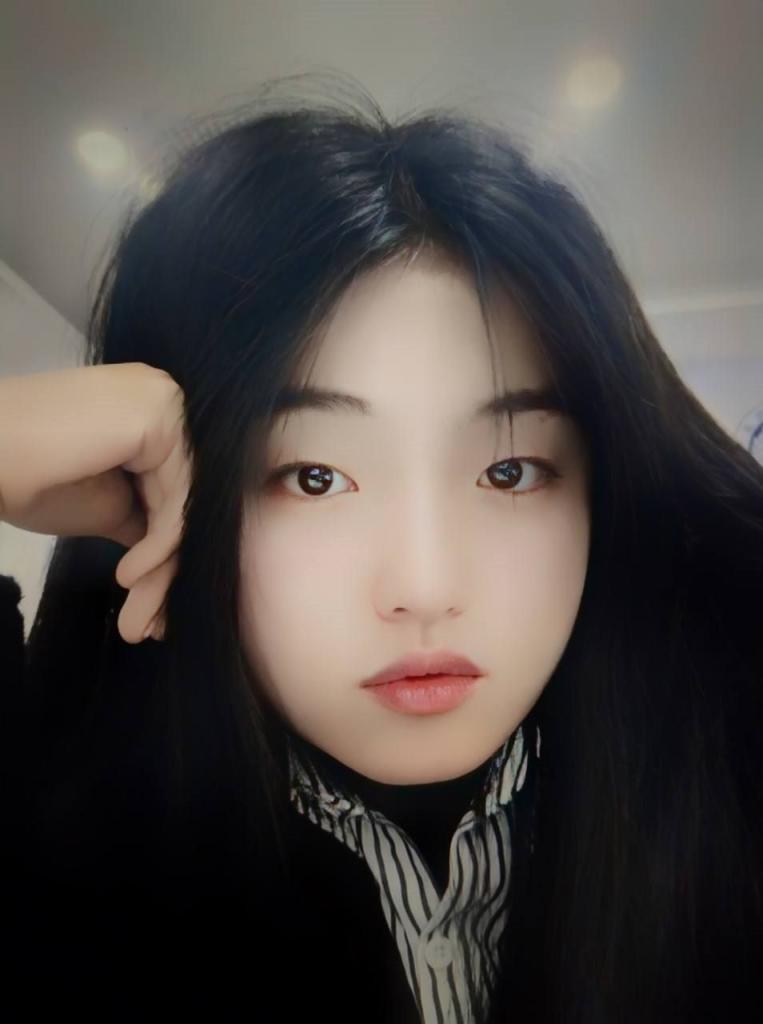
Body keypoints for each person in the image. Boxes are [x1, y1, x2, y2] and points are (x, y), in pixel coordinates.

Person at [2, 75, 762, 1022]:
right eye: (313, 476)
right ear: (173, 493)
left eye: (510, 470)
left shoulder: (729, 784)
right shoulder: (46, 852)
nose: (426, 587)